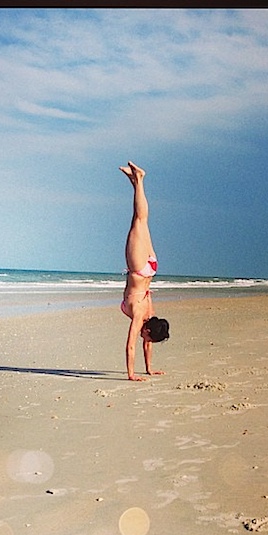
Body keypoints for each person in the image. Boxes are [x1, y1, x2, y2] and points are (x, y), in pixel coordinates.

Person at [119, 161, 169, 381]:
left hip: (150, 268)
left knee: (141, 221)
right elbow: (130, 346)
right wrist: (132, 375)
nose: (145, 340)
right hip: (138, 268)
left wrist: (149, 369)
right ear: (148, 329)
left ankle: (135, 182)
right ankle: (139, 179)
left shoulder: (150, 314)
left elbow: (146, 344)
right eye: (147, 337)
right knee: (139, 221)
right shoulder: (141, 315)